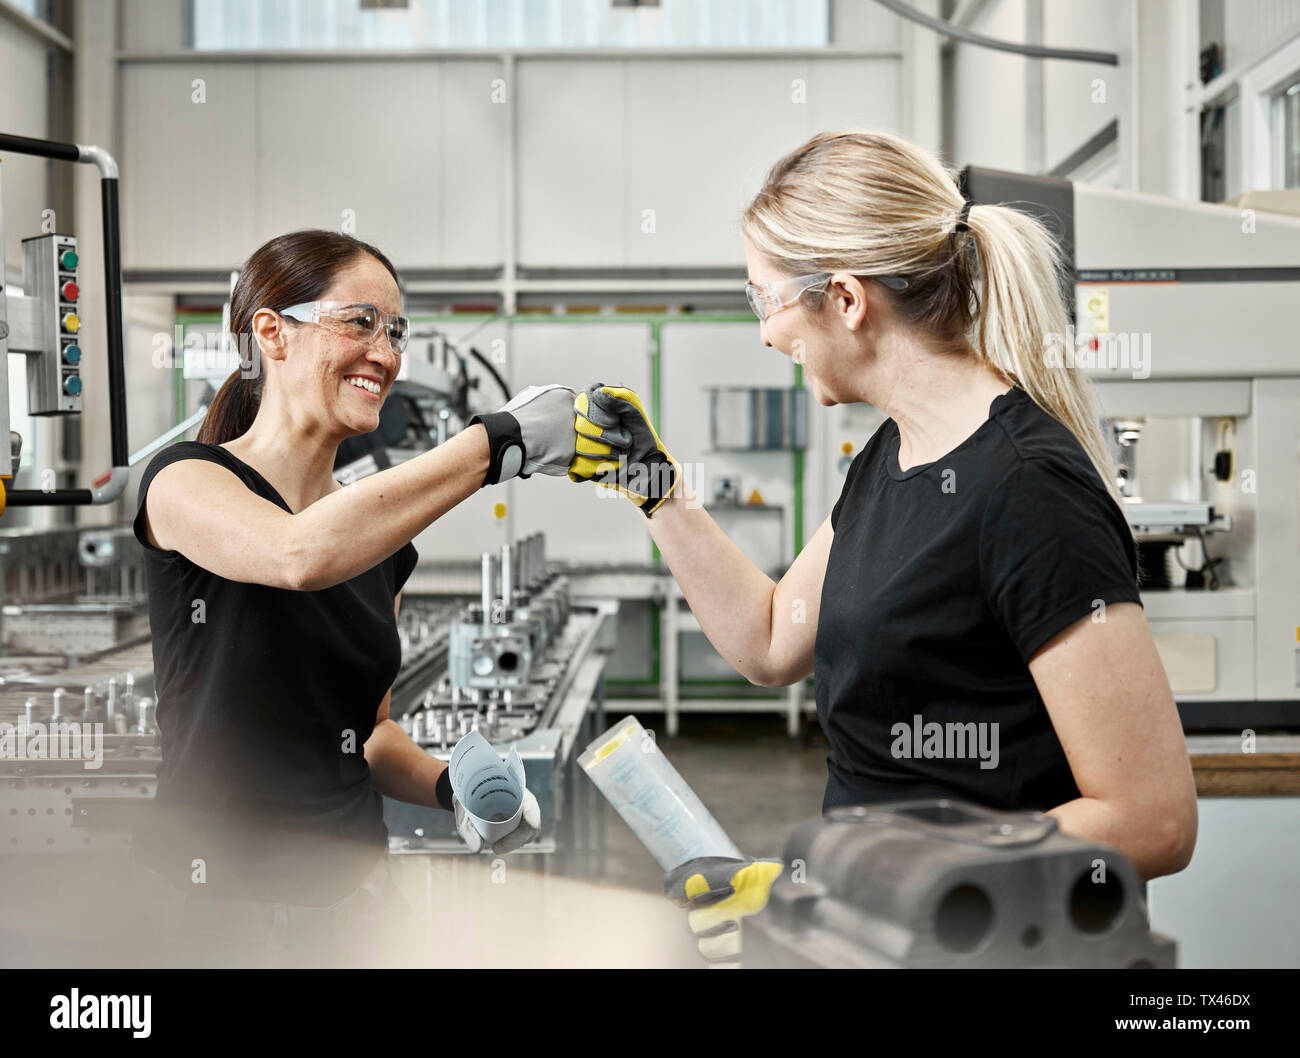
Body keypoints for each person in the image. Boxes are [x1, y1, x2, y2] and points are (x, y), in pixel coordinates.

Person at [569, 130, 1198, 966]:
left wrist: (856, 883)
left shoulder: (1028, 489)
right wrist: (654, 487)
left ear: (847, 299)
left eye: (765, 301)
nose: (765, 335)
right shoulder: (891, 458)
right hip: (887, 938)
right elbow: (769, 639)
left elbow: (1150, 819)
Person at [131, 229, 588, 966]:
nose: (386, 352)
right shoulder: (183, 479)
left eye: (396, 330)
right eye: (361, 322)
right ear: (272, 334)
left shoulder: (379, 544)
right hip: (216, 904)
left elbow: (367, 733)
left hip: (353, 894)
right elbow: (295, 553)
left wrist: (452, 789)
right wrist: (496, 442)